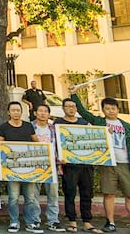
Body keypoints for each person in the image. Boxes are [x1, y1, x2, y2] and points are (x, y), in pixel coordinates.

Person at [70, 89, 130, 233]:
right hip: (107, 163)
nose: (110, 111)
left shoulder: (126, 126)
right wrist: (74, 95)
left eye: (113, 108)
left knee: (129, 194)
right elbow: (84, 113)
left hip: (125, 164)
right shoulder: (99, 122)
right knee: (109, 193)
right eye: (107, 108)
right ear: (103, 110)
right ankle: (110, 222)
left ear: (117, 109)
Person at [0, 101, 42, 234]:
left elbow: (37, 143)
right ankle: (14, 221)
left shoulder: (28, 126)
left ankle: (30, 222)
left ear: (21, 112)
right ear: (9, 112)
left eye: (18, 110)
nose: (16, 113)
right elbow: (0, 146)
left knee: (30, 197)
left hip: (29, 168)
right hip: (12, 169)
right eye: (13, 110)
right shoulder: (4, 127)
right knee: (14, 197)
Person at [58, 97, 98, 233]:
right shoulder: (58, 123)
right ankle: (72, 221)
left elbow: (95, 138)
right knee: (70, 193)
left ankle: (87, 221)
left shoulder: (84, 122)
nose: (71, 109)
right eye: (68, 106)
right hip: (69, 165)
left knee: (87, 193)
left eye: (73, 106)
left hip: (86, 163)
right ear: (63, 108)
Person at [33, 104, 65, 232]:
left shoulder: (54, 128)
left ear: (49, 114)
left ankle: (53, 220)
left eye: (45, 111)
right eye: (40, 111)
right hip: (34, 165)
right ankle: (35, 220)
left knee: (53, 195)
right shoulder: (30, 127)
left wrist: (61, 158)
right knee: (33, 195)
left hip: (52, 166)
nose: (42, 113)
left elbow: (61, 144)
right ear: (35, 113)